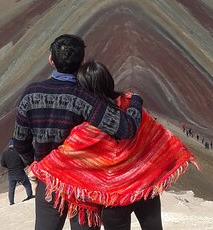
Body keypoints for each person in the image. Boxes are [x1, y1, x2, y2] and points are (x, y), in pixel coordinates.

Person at [31, 60, 196, 230]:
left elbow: (61, 160)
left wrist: (40, 166)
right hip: (144, 189)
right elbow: (158, 139)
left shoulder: (87, 129)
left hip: (115, 205)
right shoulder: (132, 109)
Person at [13, 35, 144, 230]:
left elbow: (19, 141)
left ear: (51, 60)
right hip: (84, 185)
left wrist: (34, 162)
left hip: (48, 180)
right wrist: (135, 102)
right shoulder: (87, 97)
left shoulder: (31, 93)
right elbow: (127, 129)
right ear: (82, 62)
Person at [0, 139, 34, 205]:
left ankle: (11, 202)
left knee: (11, 188)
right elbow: (24, 161)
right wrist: (22, 166)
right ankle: (29, 196)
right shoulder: (18, 152)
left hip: (11, 173)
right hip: (19, 172)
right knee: (27, 184)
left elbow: (2, 164)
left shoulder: (5, 153)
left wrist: (9, 167)